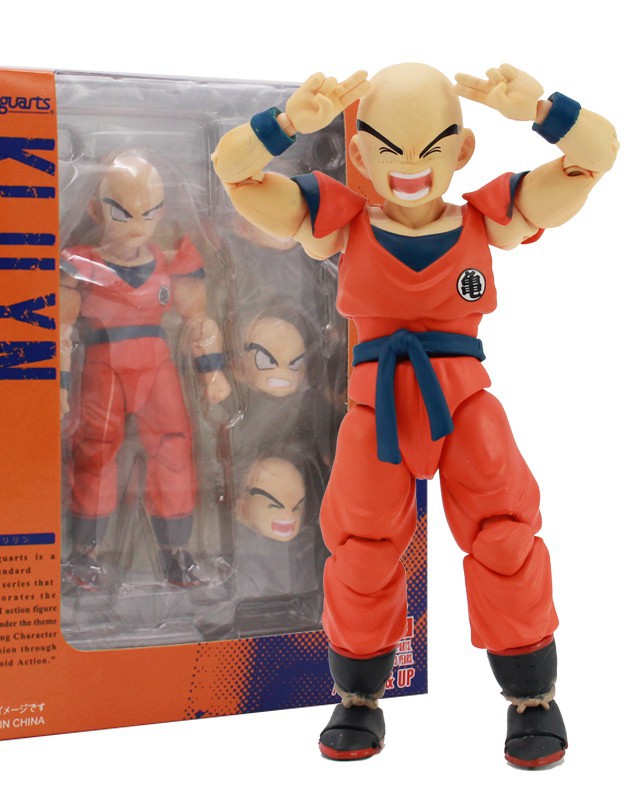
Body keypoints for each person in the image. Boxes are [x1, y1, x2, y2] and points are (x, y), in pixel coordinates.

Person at [211, 63, 618, 768]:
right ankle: (358, 696)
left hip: (463, 404)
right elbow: (234, 173)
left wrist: (542, 109)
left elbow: (596, 156)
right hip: (376, 410)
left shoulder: (490, 217)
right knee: (361, 546)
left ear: (462, 150)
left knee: (505, 535)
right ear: (359, 152)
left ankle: (532, 697)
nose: (409, 166)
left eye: (430, 147)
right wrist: (287, 123)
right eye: (388, 148)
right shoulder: (339, 221)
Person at [60, 151, 230, 588]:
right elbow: (60, 330)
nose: (138, 224)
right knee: (96, 450)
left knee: (174, 448)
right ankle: (84, 554)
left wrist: (212, 371)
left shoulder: (171, 260)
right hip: (105, 363)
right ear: (97, 209)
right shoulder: (81, 263)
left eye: (150, 212)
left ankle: (177, 553)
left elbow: (199, 323)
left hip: (156, 364)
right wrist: (60, 385)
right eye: (124, 212)